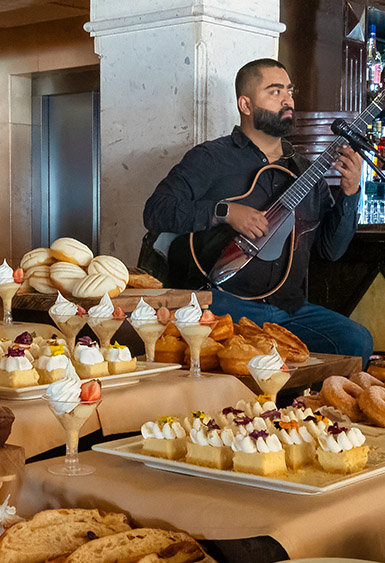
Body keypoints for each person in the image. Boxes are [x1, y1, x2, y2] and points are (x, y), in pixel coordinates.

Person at [142, 58, 372, 361]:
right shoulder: (212, 158)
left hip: (290, 310)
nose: (288, 99)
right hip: (224, 304)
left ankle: (305, 409)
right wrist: (225, 212)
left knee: (356, 342)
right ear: (245, 104)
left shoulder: (305, 171)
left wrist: (351, 191)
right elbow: (156, 211)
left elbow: (331, 249)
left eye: (289, 91)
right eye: (275, 92)